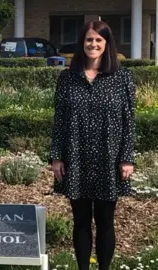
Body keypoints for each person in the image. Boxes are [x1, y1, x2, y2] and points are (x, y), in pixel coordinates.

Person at [50, 20, 135, 270]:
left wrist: (127, 157)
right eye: (89, 40)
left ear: (106, 44)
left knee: (106, 220)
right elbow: (59, 121)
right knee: (81, 221)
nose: (93, 44)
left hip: (109, 159)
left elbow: (129, 121)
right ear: (82, 43)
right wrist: (57, 157)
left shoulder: (122, 78)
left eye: (98, 40)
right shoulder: (67, 79)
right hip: (76, 157)